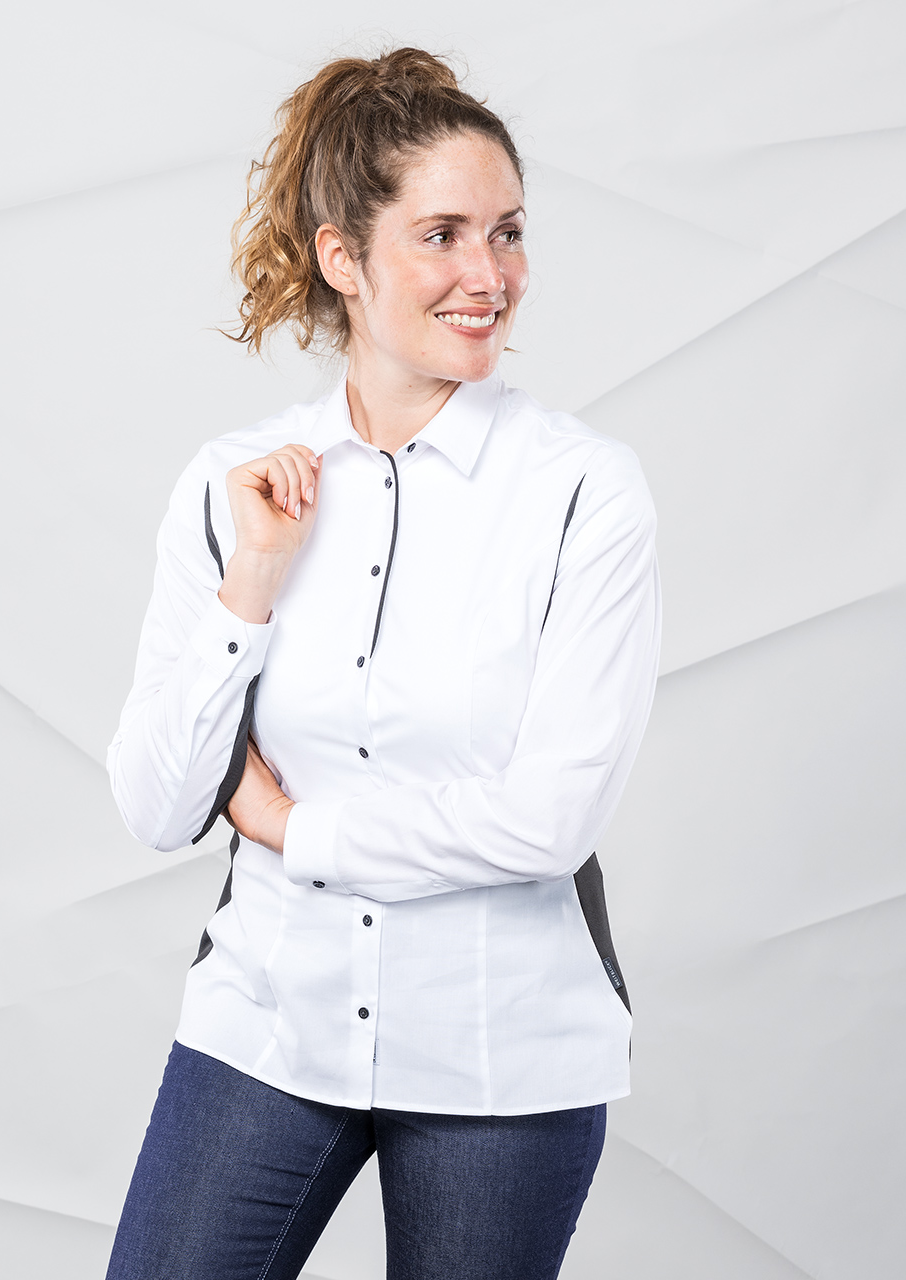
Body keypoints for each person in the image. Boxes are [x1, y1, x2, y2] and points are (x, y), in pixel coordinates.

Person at [104, 46, 661, 1280]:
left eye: (507, 233)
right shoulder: (234, 485)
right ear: (341, 258)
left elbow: (547, 821)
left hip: (500, 1052)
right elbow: (155, 803)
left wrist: (292, 829)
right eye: (442, 235)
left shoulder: (582, 492)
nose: (489, 275)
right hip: (266, 1021)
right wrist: (253, 583)